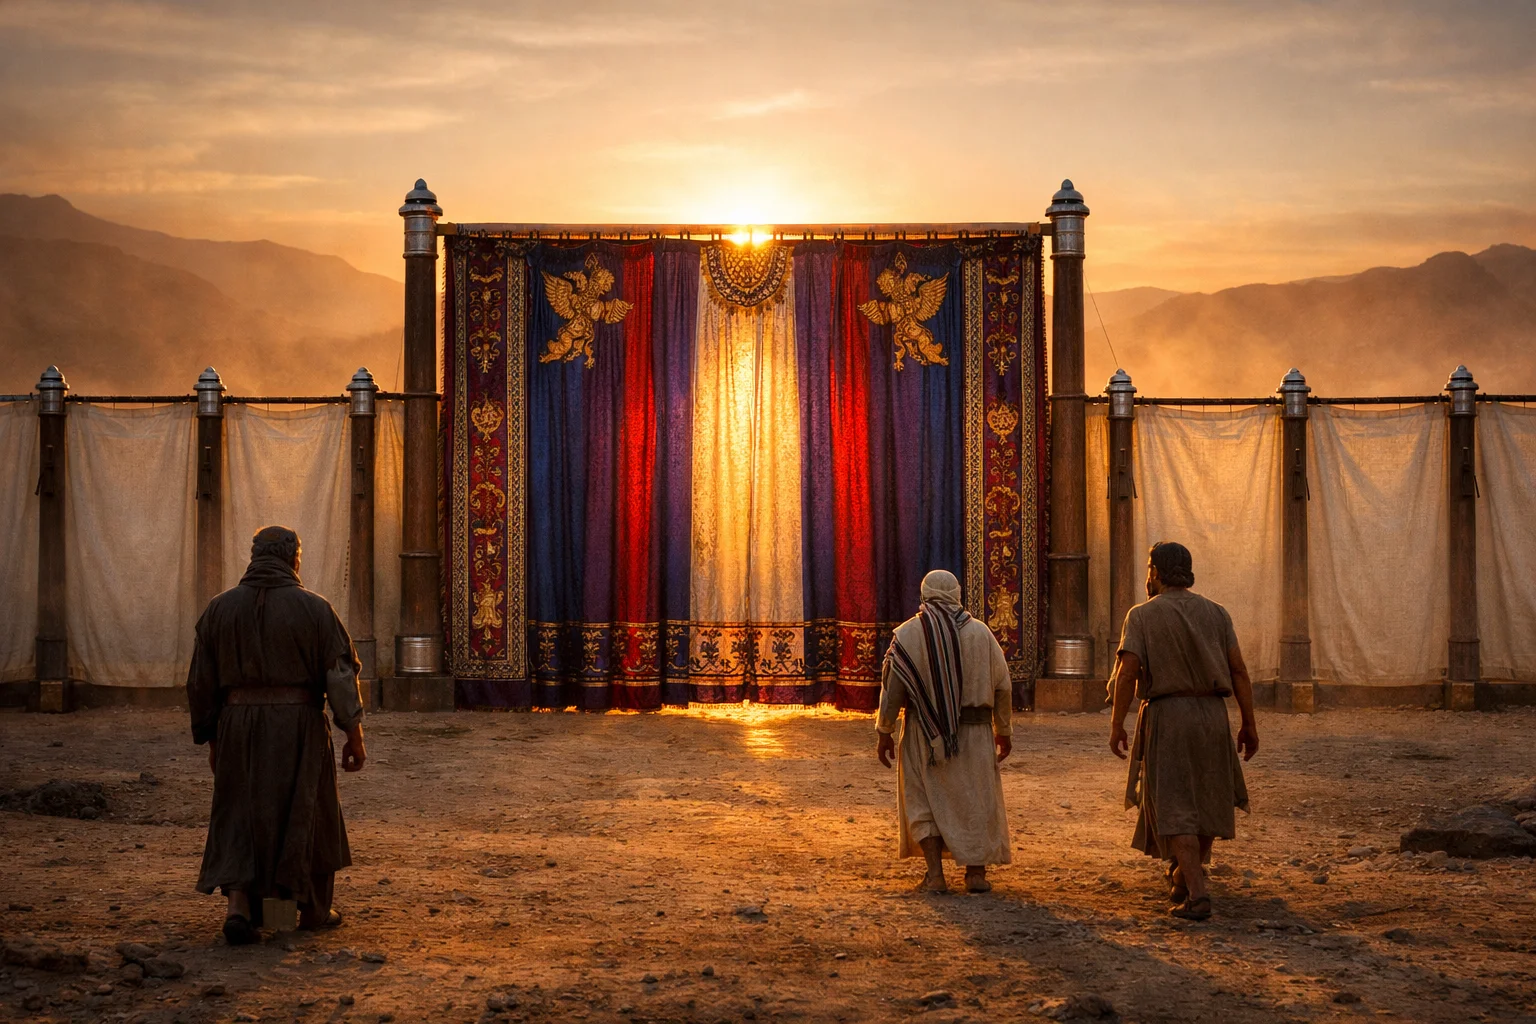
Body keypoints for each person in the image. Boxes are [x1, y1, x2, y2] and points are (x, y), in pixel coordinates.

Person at [186, 525, 367, 945]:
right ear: (294, 559)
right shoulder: (316, 610)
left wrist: (213, 740)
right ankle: (301, 912)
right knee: (302, 813)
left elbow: (200, 684)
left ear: (254, 558)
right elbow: (340, 678)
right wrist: (354, 736)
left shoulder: (218, 610)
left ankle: (239, 909)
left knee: (240, 813)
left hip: (237, 727)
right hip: (298, 728)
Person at [1108, 541, 1259, 921]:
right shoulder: (1217, 613)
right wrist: (1248, 723)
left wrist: (1117, 723)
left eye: (1149, 568)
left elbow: (1127, 673)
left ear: (1156, 572)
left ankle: (1197, 894)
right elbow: (1239, 670)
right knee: (1209, 798)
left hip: (1169, 716)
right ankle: (1182, 874)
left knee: (1174, 804)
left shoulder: (1141, 615)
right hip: (1212, 716)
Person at [875, 569, 1013, 893]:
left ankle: (935, 875)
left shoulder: (908, 635)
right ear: (957, 595)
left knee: (924, 799)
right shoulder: (981, 633)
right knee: (976, 800)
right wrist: (1003, 730)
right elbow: (1004, 686)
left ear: (924, 596)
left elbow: (893, 690)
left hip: (926, 734)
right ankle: (975, 874)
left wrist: (884, 730)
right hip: (976, 734)